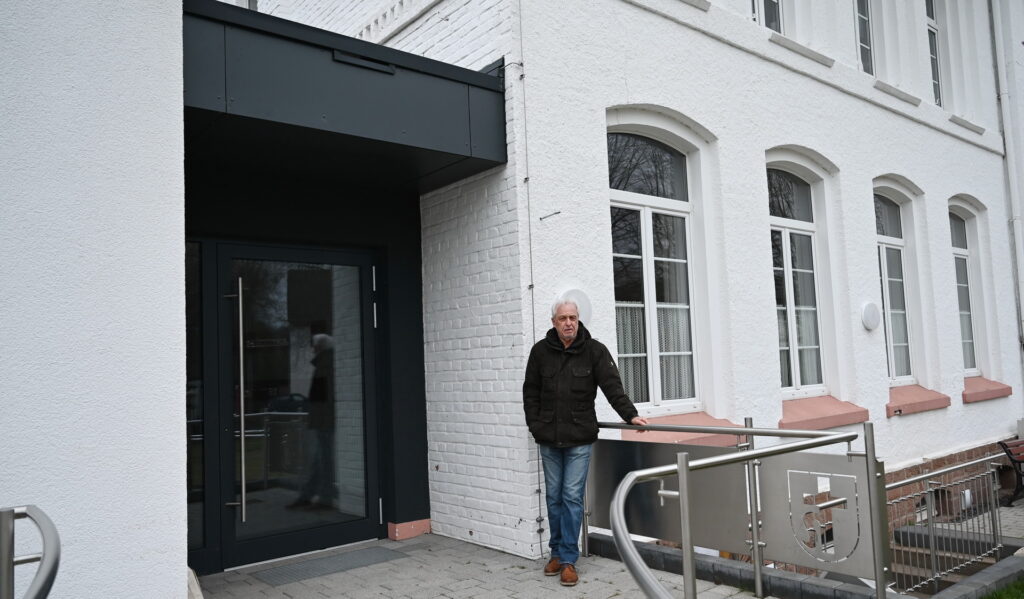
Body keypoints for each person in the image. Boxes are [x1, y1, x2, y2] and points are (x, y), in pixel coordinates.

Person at [523, 297, 648, 587]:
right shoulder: (540, 352)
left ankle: (568, 559)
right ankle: (556, 553)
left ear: (578, 320)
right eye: (563, 318)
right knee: (553, 497)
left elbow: (613, 387)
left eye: (573, 318)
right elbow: (530, 393)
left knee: (571, 496)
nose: (569, 323)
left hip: (579, 439)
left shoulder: (595, 351)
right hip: (549, 439)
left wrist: (630, 415)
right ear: (554, 322)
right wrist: (535, 426)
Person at [289, 333, 336, 510]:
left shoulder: (325, 364)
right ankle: (310, 495)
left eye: (314, 345)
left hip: (324, 421)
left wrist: (317, 417)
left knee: (324, 460)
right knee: (319, 460)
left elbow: (323, 397)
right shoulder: (325, 363)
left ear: (320, 347)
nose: (312, 349)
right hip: (323, 420)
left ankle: (323, 498)